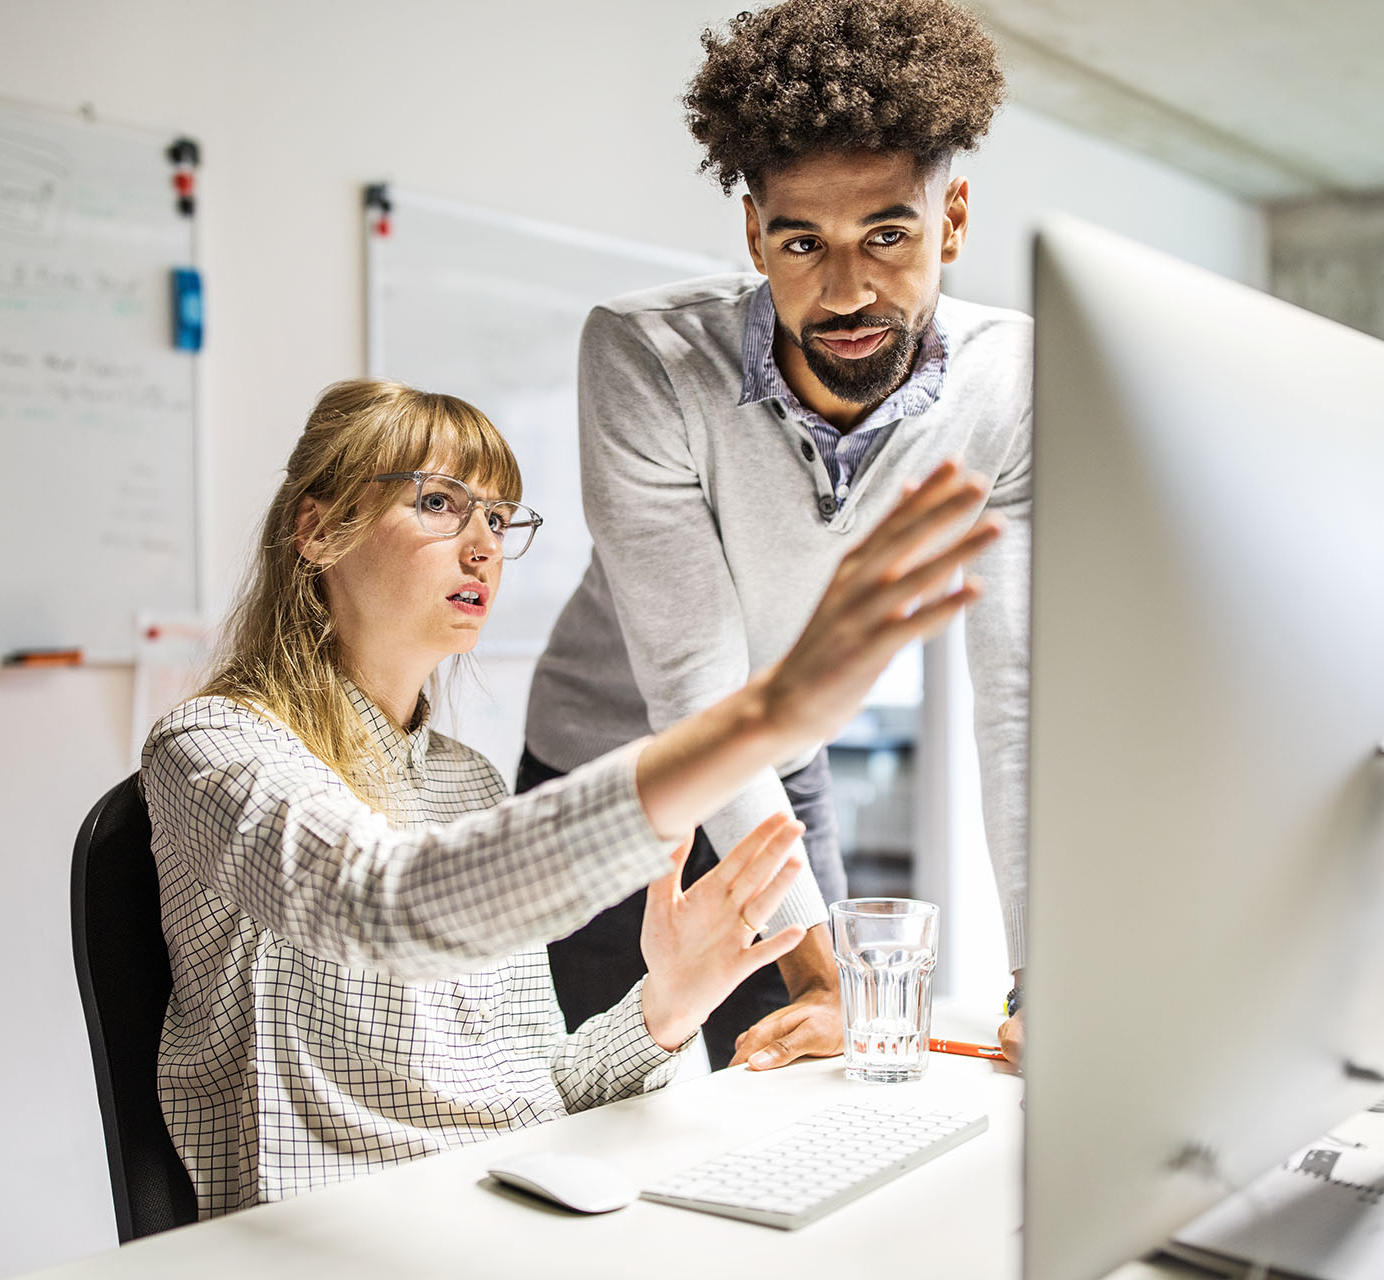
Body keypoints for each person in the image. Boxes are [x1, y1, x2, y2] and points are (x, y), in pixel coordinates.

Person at [140, 379, 997, 1214]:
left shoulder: (466, 779)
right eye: (440, 503)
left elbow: (540, 1087)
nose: (482, 546)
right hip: (334, 1231)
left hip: (502, 1205)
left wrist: (670, 1002)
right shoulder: (212, 746)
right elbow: (379, 902)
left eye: (497, 518)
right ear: (319, 530)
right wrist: (751, 721)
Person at [521, 0, 1031, 1071]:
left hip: (784, 770)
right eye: (803, 242)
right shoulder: (647, 362)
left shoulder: (1010, 386)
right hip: (615, 787)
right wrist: (822, 964)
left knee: (819, 1076)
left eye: (887, 234)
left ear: (954, 220)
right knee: (621, 1116)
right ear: (754, 232)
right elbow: (696, 696)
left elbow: (1019, 695)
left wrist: (1047, 968)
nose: (846, 291)